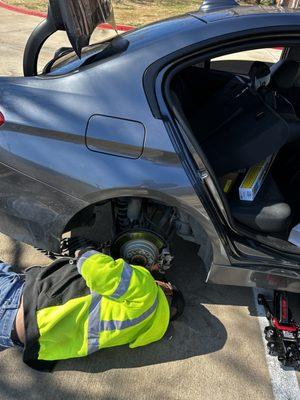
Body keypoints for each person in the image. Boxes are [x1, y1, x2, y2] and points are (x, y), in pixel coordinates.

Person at [0, 248, 184, 371]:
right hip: (19, 337)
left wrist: (86, 253)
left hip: (19, 303)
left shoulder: (149, 292)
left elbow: (101, 272)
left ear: (166, 288)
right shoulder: (142, 331)